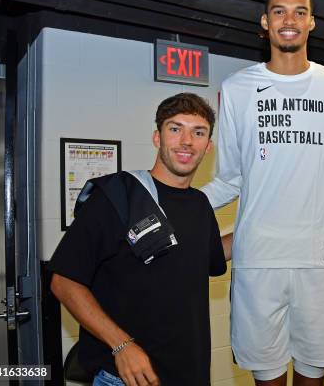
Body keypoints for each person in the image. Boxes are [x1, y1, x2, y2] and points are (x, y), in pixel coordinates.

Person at [200, 0, 324, 386]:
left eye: (300, 12)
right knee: (267, 376)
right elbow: (229, 179)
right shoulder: (237, 89)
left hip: (321, 257)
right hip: (258, 259)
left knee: (313, 374)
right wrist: (167, 203)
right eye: (279, 11)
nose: (290, 20)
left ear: (311, 23)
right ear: (265, 23)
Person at [49, 93, 229, 386]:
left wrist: (259, 228)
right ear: (157, 138)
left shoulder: (199, 204)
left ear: (208, 146)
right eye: (175, 128)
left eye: (198, 132)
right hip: (124, 377)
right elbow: (64, 281)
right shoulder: (116, 196)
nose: (186, 141)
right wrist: (121, 345)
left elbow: (206, 255)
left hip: (189, 373)